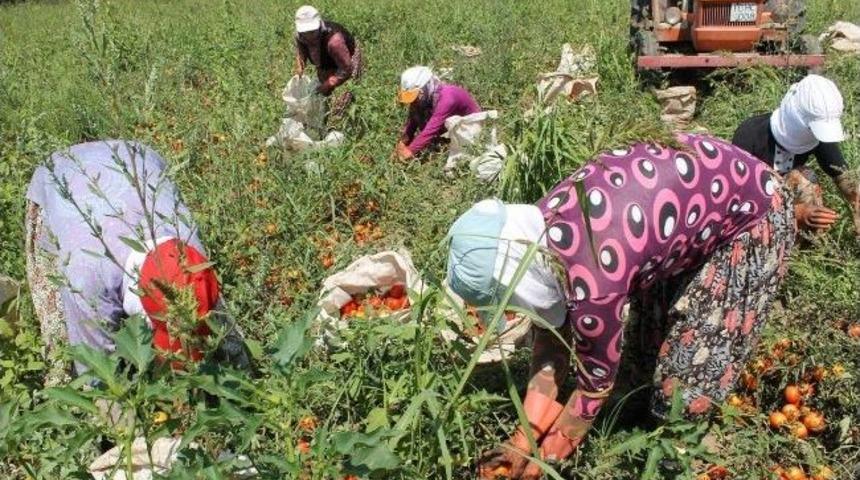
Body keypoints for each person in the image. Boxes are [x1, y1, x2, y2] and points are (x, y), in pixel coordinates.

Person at [446, 133, 795, 479]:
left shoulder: (593, 285)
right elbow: (553, 343)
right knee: (645, 352)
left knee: (686, 381)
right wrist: (521, 442)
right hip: (693, 207)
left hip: (751, 210)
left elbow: (592, 385)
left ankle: (676, 456)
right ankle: (643, 408)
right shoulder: (536, 238)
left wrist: (542, 463)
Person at [26, 140, 249, 384]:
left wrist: (244, 380)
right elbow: (97, 373)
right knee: (61, 326)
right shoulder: (85, 277)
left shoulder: (192, 257)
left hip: (139, 157)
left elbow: (221, 327)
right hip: (60, 174)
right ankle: (56, 384)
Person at [732, 74, 860, 236]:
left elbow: (842, 175)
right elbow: (738, 197)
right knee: (802, 178)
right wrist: (795, 213)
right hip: (755, 215)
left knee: (805, 176)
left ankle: (807, 245)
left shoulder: (816, 137)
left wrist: (856, 200)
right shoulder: (750, 134)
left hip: (788, 204)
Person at [394, 66, 480, 161]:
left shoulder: (448, 98)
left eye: (415, 97)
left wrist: (409, 152)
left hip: (469, 126)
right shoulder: (424, 98)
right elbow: (412, 122)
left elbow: (431, 130)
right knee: (417, 111)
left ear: (426, 87)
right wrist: (402, 143)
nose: (413, 102)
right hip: (449, 125)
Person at [294, 5, 363, 101]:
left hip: (346, 60)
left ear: (318, 26)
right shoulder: (300, 35)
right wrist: (299, 71)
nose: (309, 36)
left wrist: (328, 84)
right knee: (323, 93)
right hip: (327, 60)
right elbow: (301, 52)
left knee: (345, 97)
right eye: (306, 33)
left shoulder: (334, 41)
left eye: (312, 32)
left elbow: (347, 68)